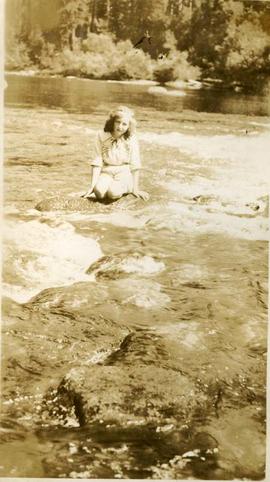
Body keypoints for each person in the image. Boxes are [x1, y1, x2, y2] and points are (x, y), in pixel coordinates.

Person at [82, 106, 149, 202]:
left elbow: (135, 162)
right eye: (118, 122)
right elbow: (97, 160)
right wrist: (92, 186)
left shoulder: (132, 138)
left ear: (129, 126)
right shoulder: (101, 135)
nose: (120, 127)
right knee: (99, 193)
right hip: (106, 170)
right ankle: (106, 186)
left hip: (123, 171)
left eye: (124, 124)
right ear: (112, 121)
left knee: (113, 193)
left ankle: (128, 186)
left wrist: (135, 189)